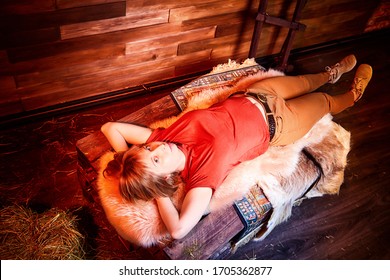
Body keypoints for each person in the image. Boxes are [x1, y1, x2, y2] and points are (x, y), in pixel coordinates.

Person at [101, 55, 372, 240]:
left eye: (148, 149)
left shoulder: (165, 136)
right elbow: (178, 230)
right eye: (156, 161)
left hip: (258, 94)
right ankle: (352, 95)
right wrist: (156, 192)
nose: (157, 149)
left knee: (307, 81)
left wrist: (128, 158)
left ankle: (330, 73)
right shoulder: (200, 177)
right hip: (280, 123)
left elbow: (110, 128)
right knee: (323, 101)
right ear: (163, 178)